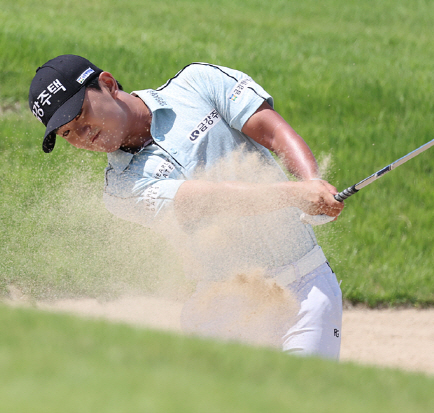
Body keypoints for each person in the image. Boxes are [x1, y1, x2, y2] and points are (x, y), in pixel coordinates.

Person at [28, 54, 345, 358]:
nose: (83, 135)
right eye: (67, 132)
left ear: (108, 84)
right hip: (224, 309)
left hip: (307, 292)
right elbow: (212, 200)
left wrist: (311, 183)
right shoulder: (121, 189)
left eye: (82, 113)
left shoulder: (198, 83)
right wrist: (294, 194)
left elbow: (273, 131)